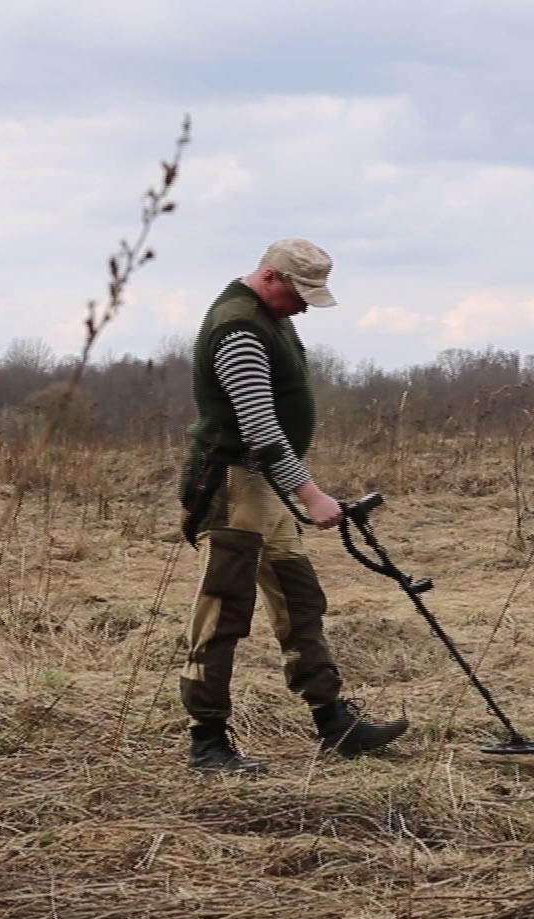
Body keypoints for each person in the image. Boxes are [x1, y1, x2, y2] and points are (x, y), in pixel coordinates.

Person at [175, 239, 409, 774]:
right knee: (223, 612)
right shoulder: (238, 328)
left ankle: (335, 724)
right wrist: (311, 493)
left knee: (299, 601)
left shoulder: (270, 318)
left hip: (262, 488)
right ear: (272, 276)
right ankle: (207, 741)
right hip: (234, 488)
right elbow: (258, 428)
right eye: (301, 294)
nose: (305, 306)